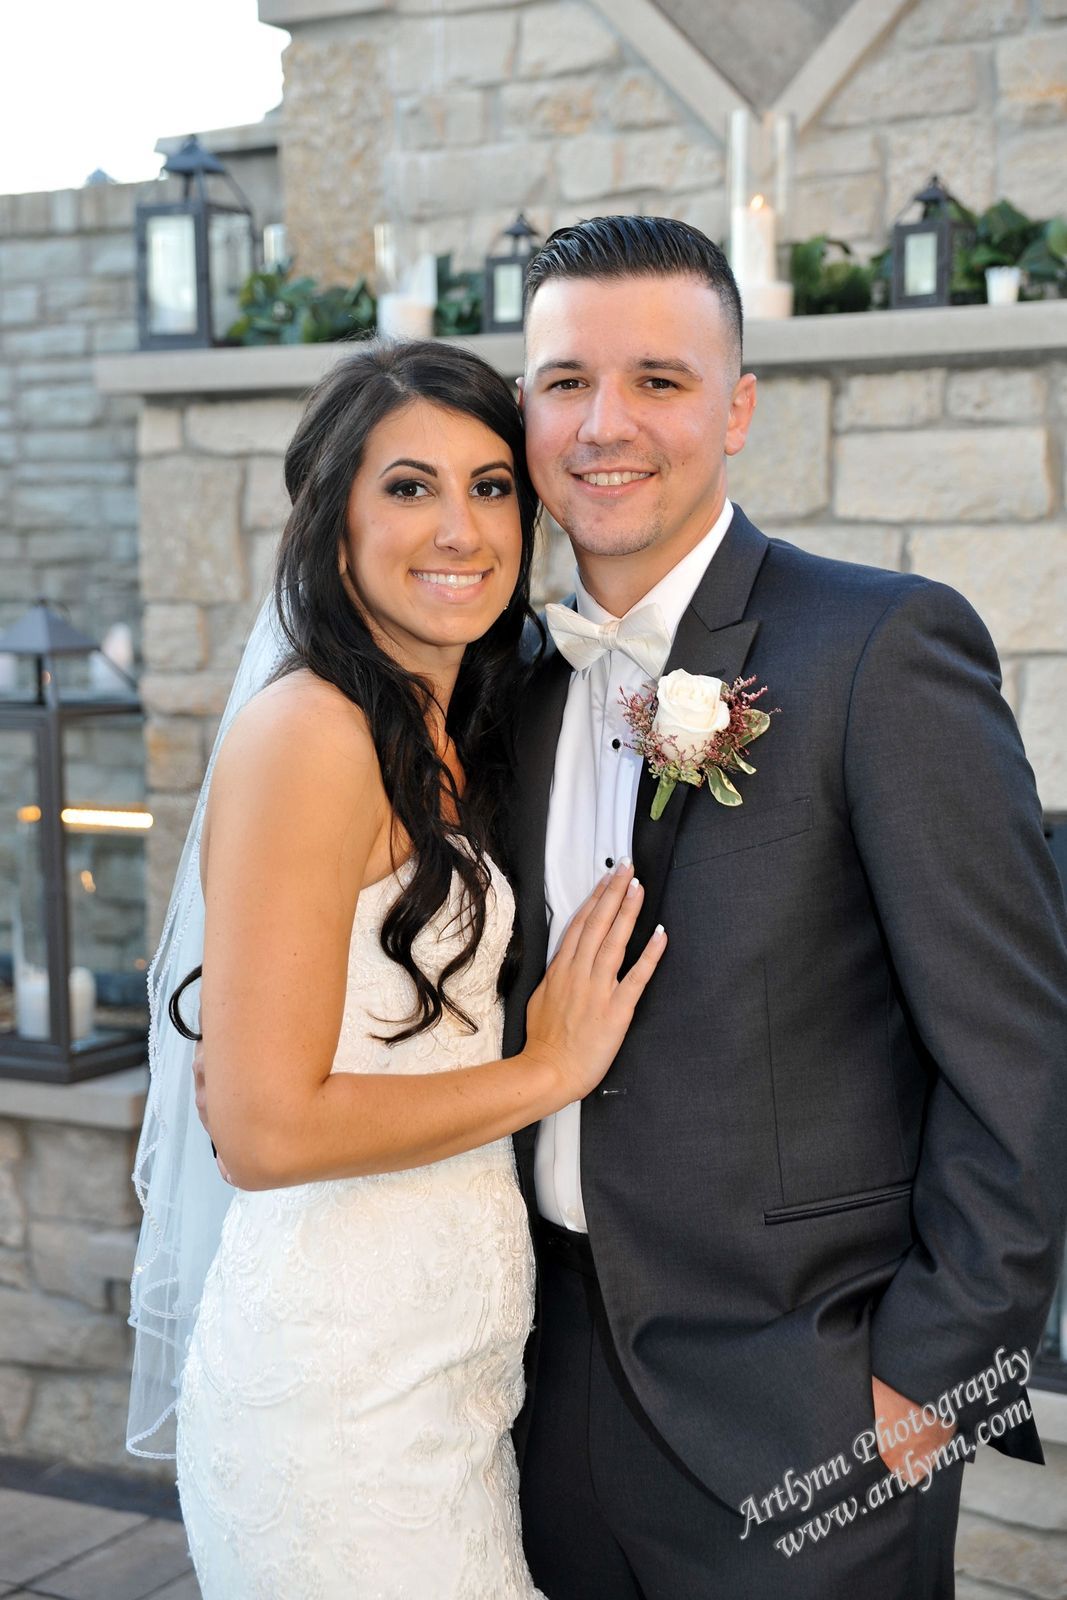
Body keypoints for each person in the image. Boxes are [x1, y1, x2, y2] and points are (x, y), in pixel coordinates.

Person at [503, 216, 1067, 1599]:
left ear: (737, 408)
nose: (602, 425)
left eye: (657, 380)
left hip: (808, 1408)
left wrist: (926, 1385)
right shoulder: (499, 678)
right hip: (532, 1382)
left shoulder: (880, 647)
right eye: (564, 381)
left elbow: (1017, 1055)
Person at [126, 339, 666, 1600]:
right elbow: (260, 1128)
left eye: (489, 487)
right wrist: (550, 1067)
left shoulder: (445, 720)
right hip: (338, 1399)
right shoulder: (310, 734)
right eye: (409, 487)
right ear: (334, 521)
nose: (460, 528)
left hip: (446, 1376)